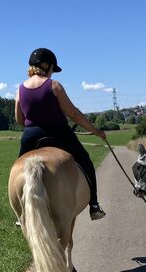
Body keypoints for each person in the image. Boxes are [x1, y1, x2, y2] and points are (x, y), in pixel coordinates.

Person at [15, 48, 106, 220]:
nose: (52, 74)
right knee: (85, 161)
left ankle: (20, 213)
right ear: (46, 66)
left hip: (31, 136)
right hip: (58, 133)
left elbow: (19, 120)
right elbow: (74, 114)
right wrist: (96, 131)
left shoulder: (19, 90)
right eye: (52, 70)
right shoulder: (54, 86)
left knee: (18, 168)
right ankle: (94, 205)